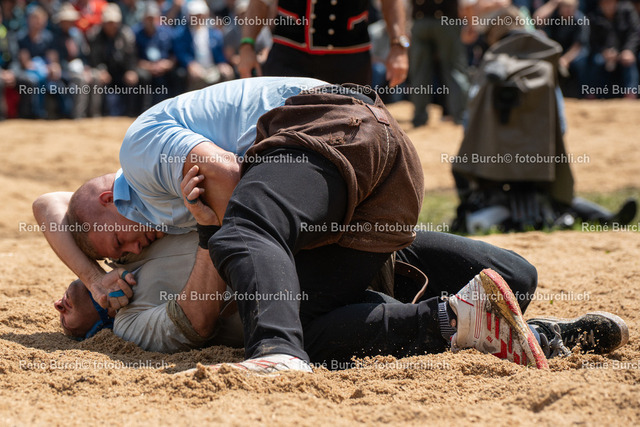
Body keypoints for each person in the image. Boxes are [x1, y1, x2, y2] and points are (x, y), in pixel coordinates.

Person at [37, 77, 552, 373]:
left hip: (327, 130)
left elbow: (52, 203)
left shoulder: (141, 157)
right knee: (516, 278)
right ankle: (501, 328)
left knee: (244, 229)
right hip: (366, 187)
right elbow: (61, 214)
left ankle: (277, 353)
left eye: (118, 240)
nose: (128, 250)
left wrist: (94, 277)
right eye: (118, 257)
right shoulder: (135, 284)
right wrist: (97, 279)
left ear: (109, 198)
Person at [237, 0, 409, 87]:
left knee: (351, 131)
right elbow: (260, 2)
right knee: (281, 129)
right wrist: (247, 45)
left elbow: (391, 2)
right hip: (289, 59)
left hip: (349, 63)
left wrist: (398, 47)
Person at [409, 0, 469, 127]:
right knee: (454, 70)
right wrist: (470, 24)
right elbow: (467, 4)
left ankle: (419, 117)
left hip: (420, 22)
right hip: (447, 22)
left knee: (420, 72)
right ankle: (461, 117)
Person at [172, 0, 234, 91]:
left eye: (200, 15)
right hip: (195, 69)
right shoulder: (181, 34)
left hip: (213, 67)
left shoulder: (214, 33)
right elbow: (181, 52)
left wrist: (222, 63)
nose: (198, 18)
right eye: (195, 15)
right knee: (196, 78)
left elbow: (219, 52)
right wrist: (190, 64)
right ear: (189, 16)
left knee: (227, 73)